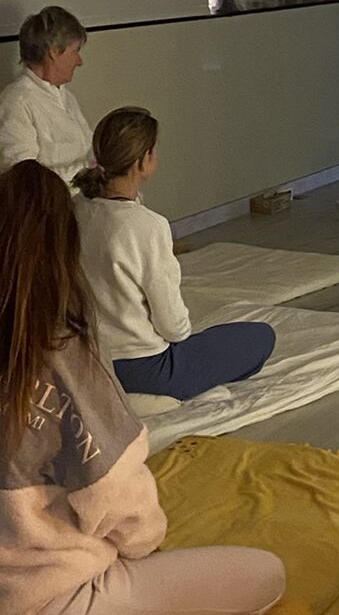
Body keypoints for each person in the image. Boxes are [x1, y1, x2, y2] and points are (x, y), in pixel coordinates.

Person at [0, 161, 285, 615]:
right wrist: (143, 546)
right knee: (266, 576)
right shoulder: (64, 355)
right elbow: (123, 509)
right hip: (44, 596)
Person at [73, 108, 276, 401]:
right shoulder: (147, 225)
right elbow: (174, 328)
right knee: (261, 336)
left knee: (220, 340)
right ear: (142, 160)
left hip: (87, 361)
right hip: (146, 370)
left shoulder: (76, 210)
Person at [0, 6, 92, 187]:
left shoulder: (66, 97)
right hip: (47, 204)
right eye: (75, 51)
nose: (79, 61)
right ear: (54, 52)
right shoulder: (15, 104)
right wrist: (88, 171)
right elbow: (26, 182)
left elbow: (88, 151)